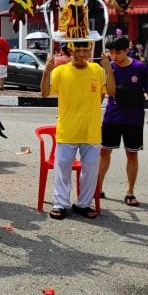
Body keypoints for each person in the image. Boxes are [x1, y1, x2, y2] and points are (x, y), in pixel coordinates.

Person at [40, 39, 115, 220]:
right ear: (70, 51)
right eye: (77, 51)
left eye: (84, 50)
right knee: (63, 167)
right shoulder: (60, 71)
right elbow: (44, 92)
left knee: (90, 169)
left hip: (91, 131)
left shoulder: (97, 70)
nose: (81, 55)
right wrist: (46, 71)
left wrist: (108, 68)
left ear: (90, 51)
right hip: (67, 130)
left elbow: (111, 91)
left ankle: (83, 204)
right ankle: (60, 204)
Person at [97, 36, 148, 207]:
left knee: (132, 154)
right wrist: (95, 112)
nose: (114, 56)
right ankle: (98, 187)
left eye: (118, 52)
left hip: (134, 119)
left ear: (126, 50)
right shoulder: (108, 67)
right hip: (112, 117)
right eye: (111, 52)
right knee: (104, 152)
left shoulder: (139, 67)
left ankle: (130, 191)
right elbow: (103, 91)